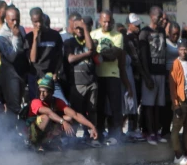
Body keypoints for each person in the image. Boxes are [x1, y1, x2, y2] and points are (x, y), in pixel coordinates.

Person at [91, 10, 130, 145]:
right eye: (104, 21)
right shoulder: (93, 34)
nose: (107, 24)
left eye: (109, 21)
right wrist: (101, 54)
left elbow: (115, 55)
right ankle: (99, 133)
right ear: (100, 21)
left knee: (115, 108)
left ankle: (115, 135)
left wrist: (99, 54)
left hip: (113, 75)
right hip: (98, 75)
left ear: (112, 21)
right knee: (99, 107)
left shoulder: (118, 36)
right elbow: (91, 54)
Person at [26, 76, 97, 150]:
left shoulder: (57, 101)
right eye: (40, 91)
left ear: (52, 92)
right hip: (32, 133)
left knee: (69, 117)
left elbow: (75, 114)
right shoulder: (35, 102)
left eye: (44, 91)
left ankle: (52, 142)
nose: (41, 94)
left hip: (47, 131)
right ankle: (35, 144)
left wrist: (92, 127)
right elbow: (49, 112)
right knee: (47, 118)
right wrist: (63, 122)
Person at [64, 16, 98, 145]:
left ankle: (91, 135)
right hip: (77, 82)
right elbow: (71, 59)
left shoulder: (91, 40)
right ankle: (78, 137)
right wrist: (86, 55)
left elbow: (91, 49)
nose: (79, 30)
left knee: (92, 109)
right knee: (78, 111)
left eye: (81, 28)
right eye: (77, 28)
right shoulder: (69, 42)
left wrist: (84, 28)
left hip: (91, 81)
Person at [137, 7, 168, 145]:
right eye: (159, 16)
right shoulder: (144, 33)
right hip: (150, 73)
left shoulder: (162, 31)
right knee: (149, 105)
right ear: (152, 16)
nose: (162, 19)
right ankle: (149, 133)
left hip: (161, 72)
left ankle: (156, 131)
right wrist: (147, 76)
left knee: (158, 105)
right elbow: (143, 57)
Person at [0, 5, 29, 118]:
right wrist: (15, 37)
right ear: (6, 19)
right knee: (13, 105)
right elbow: (11, 56)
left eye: (17, 19)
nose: (15, 22)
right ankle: (9, 133)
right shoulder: (1, 36)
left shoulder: (21, 29)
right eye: (12, 20)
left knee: (19, 102)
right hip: (9, 73)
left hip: (22, 71)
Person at [122, 14, 144, 140]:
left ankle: (132, 128)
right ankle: (130, 129)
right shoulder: (128, 39)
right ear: (129, 25)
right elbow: (136, 59)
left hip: (136, 75)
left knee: (135, 103)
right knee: (131, 104)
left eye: (138, 24)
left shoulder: (136, 38)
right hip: (133, 75)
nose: (138, 27)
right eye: (135, 25)